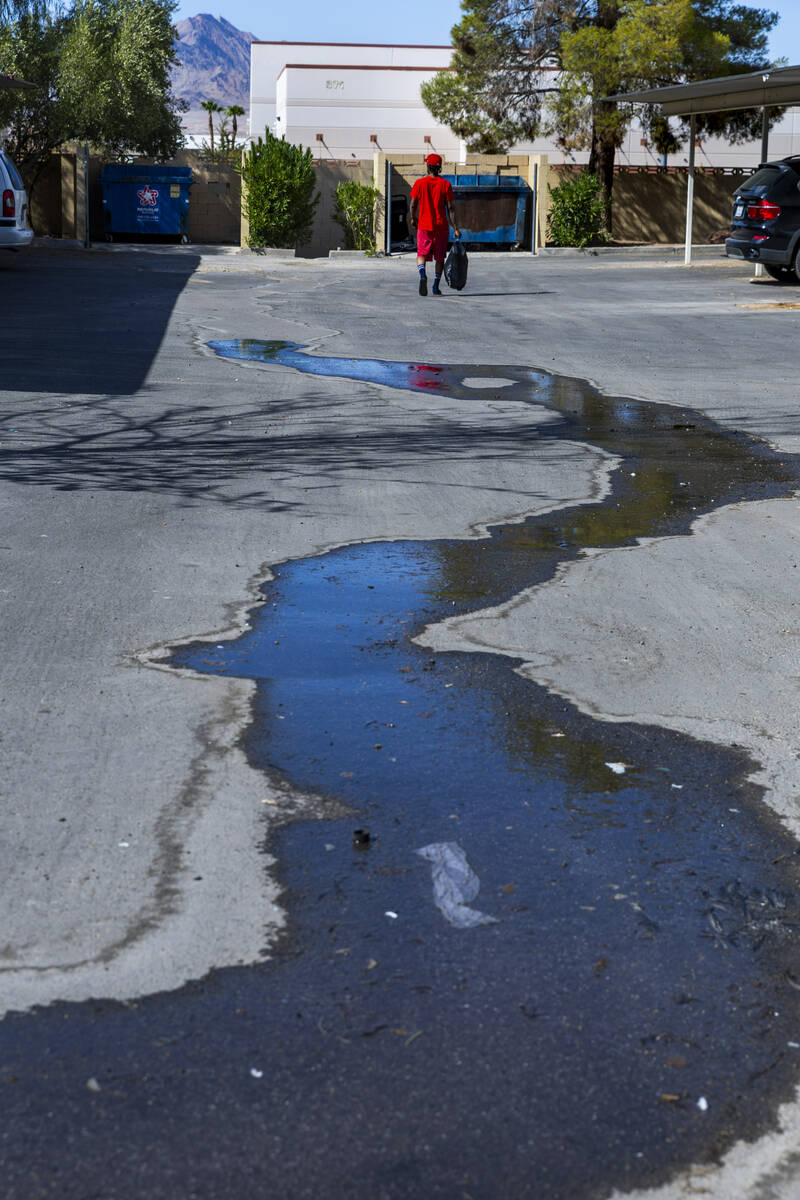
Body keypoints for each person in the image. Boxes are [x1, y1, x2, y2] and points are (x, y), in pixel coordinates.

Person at [408, 153, 460, 296]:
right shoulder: (446, 185)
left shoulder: (420, 183)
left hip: (424, 226)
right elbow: (451, 208)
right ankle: (435, 286)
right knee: (439, 258)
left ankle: (423, 275)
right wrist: (455, 228)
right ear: (440, 168)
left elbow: (413, 204)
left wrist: (413, 218)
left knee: (421, 254)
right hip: (441, 227)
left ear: (428, 166)